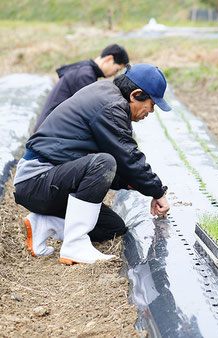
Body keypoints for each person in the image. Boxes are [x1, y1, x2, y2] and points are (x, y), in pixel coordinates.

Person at [14, 63, 171, 265]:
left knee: (113, 227)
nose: (151, 111)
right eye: (152, 104)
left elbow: (106, 157)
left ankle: (43, 224)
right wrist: (157, 191)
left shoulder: (107, 94)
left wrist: (129, 182)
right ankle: (74, 245)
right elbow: (126, 156)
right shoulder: (112, 106)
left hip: (51, 179)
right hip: (36, 178)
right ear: (135, 94)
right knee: (104, 163)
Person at [34, 43, 129, 131]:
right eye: (117, 69)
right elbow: (89, 113)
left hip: (48, 128)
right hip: (49, 131)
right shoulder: (85, 75)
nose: (115, 74)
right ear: (109, 59)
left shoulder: (84, 69)